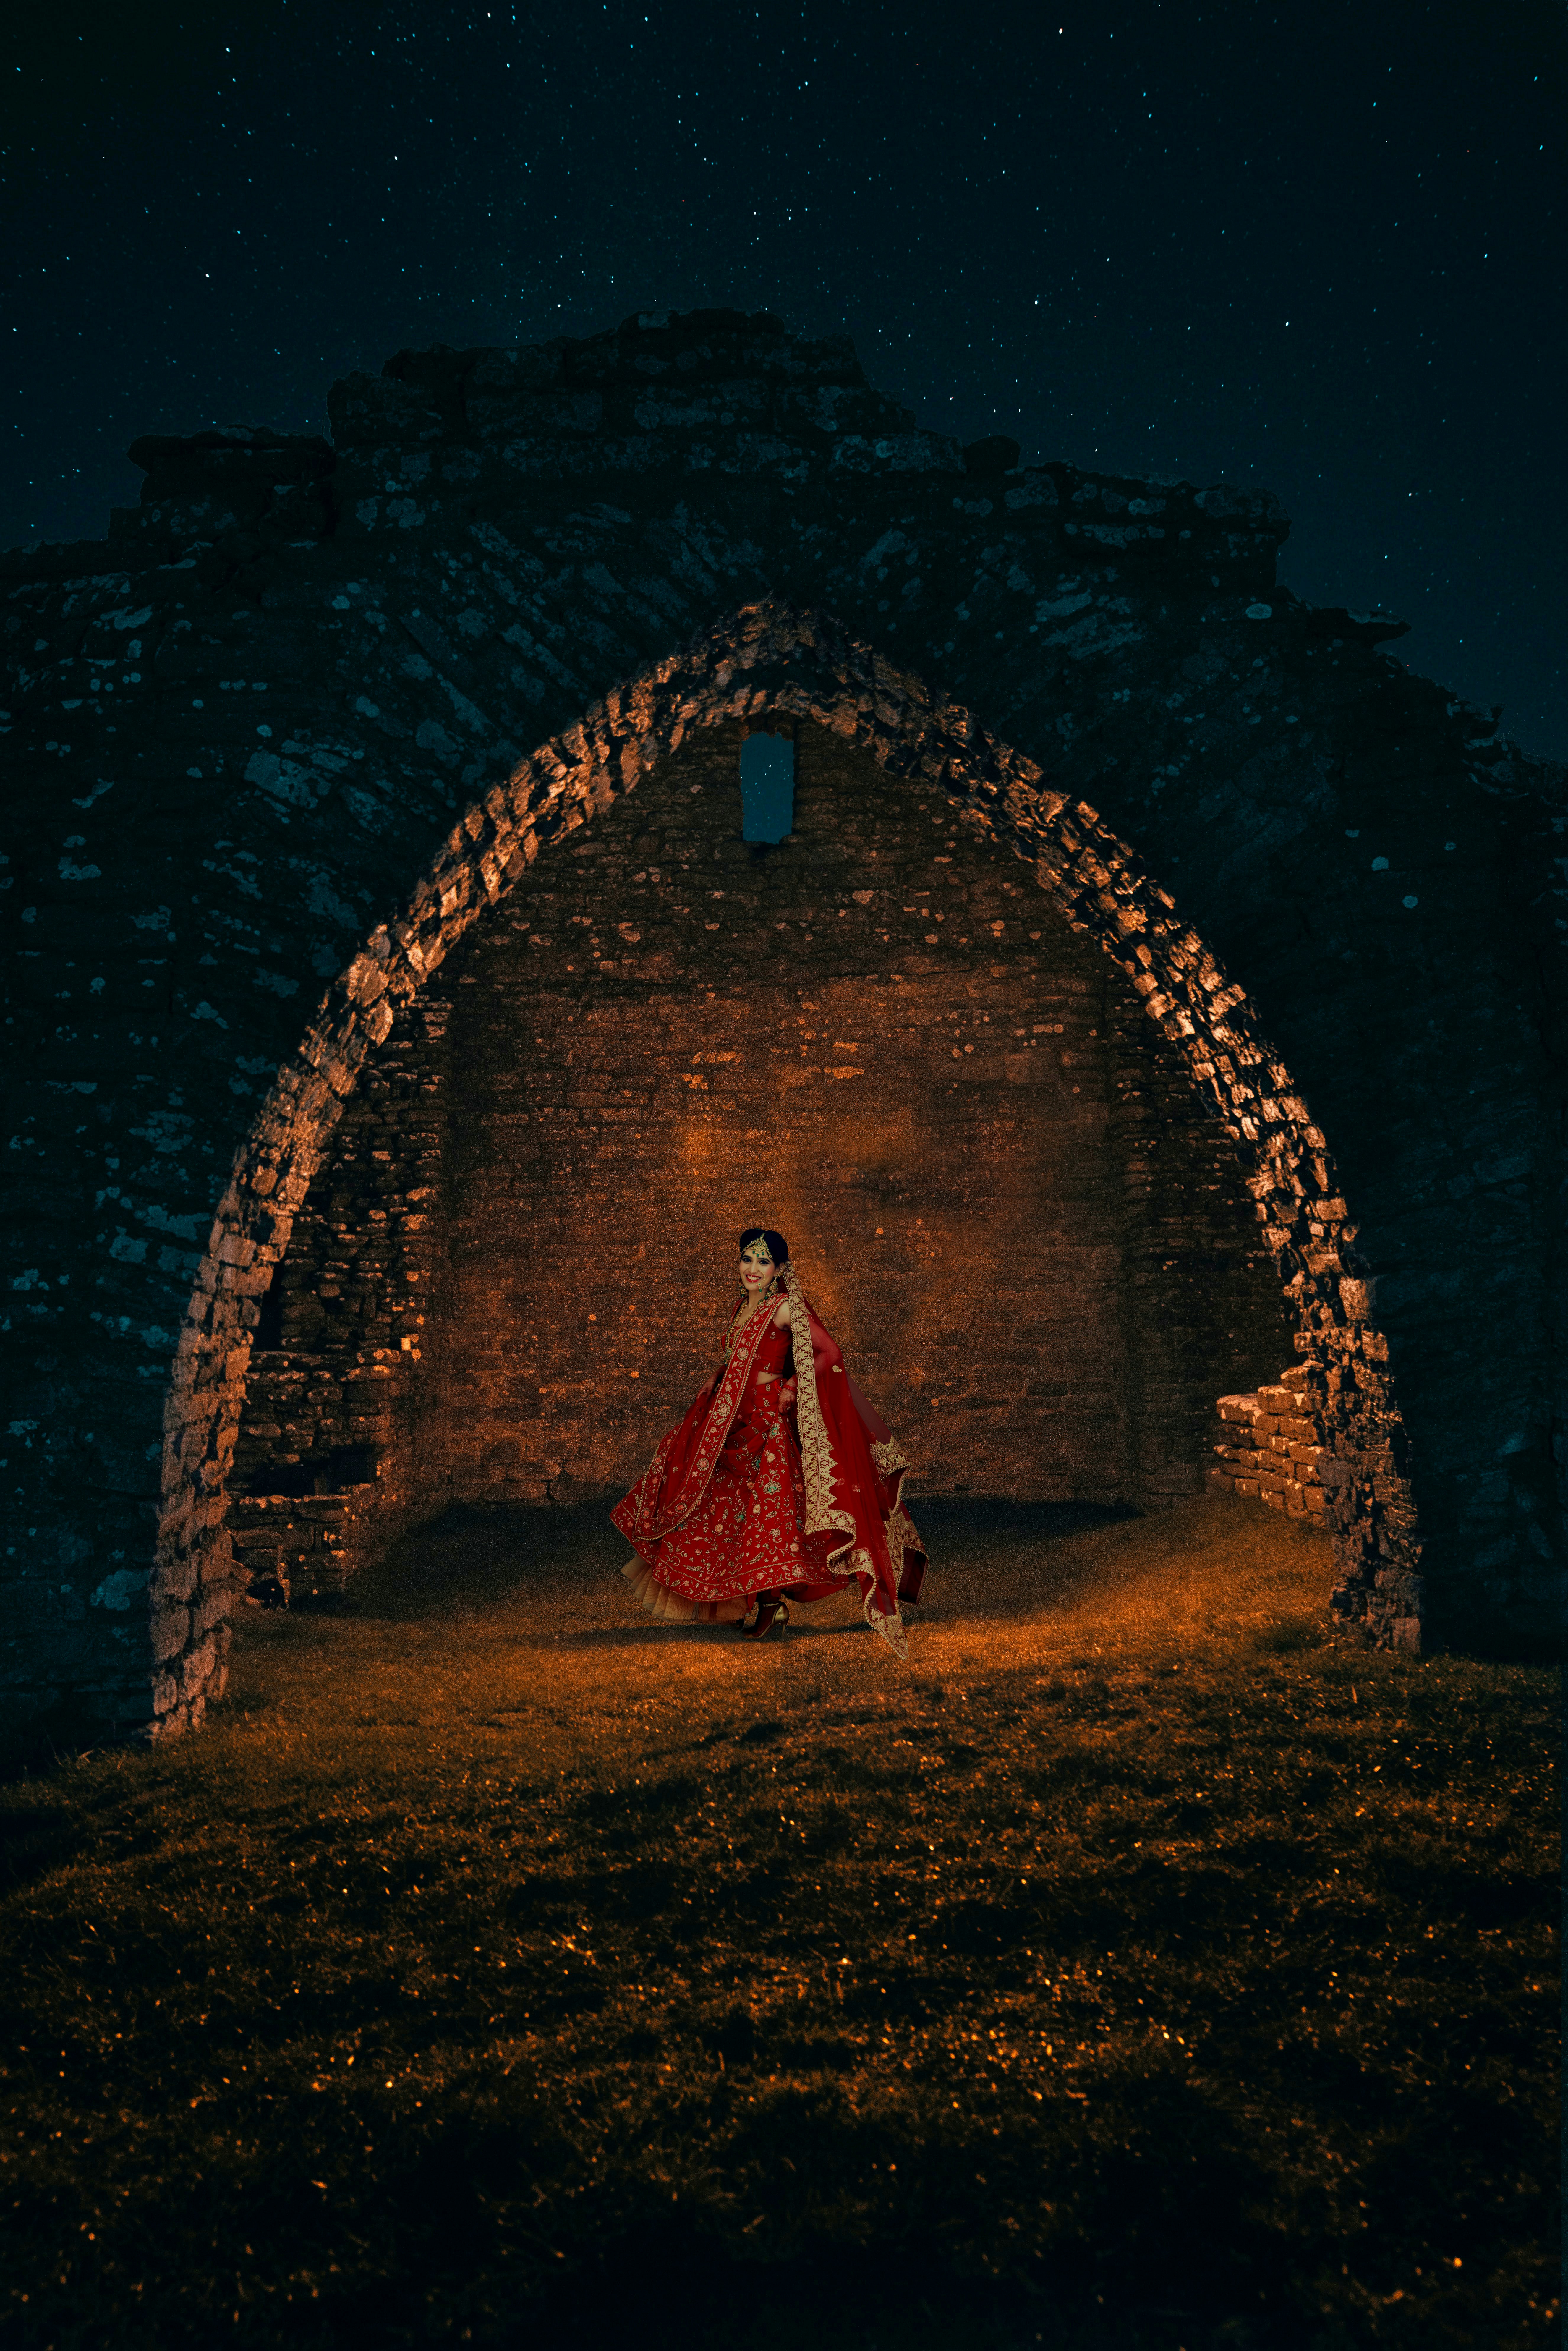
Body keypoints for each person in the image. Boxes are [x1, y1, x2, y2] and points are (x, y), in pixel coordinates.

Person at [612, 1228, 928, 1656]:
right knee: (726, 1507)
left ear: (779, 1269)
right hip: (729, 1421)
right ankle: (741, 1599)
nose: (753, 1269)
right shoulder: (742, 1307)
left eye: (763, 1262)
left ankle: (770, 1603)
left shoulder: (783, 1308)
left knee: (769, 1513)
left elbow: (830, 1354)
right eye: (748, 1259)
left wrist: (793, 1386)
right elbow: (739, 1359)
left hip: (766, 1421)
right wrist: (717, 1377)